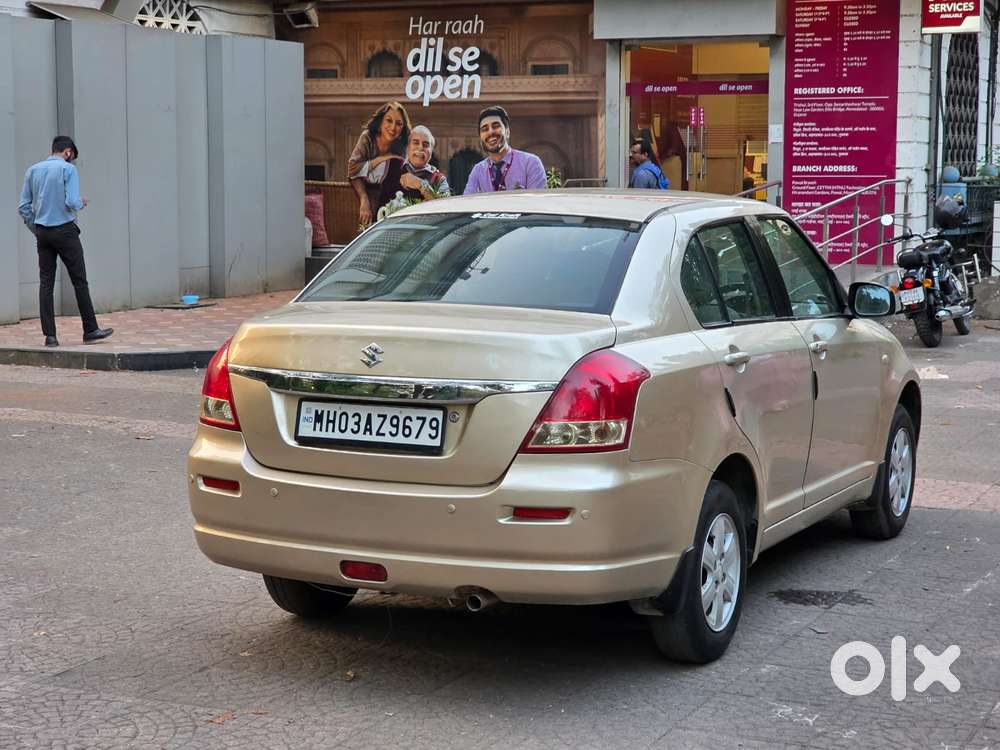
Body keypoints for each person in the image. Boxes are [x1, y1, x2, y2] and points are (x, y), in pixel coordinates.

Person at [17, 136, 113, 348]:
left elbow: (23, 207)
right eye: (71, 156)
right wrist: (81, 203)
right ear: (68, 152)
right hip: (65, 231)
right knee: (79, 280)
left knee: (46, 284)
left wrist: (37, 229)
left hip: (43, 232)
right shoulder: (67, 170)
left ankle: (50, 337)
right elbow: (71, 201)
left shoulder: (32, 170)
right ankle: (90, 330)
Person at [347, 101, 411, 227]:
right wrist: (383, 158)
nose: (393, 128)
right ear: (381, 121)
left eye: (399, 124)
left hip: (389, 200)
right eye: (389, 120)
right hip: (365, 192)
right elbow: (353, 170)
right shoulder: (368, 137)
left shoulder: (402, 146)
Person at [463, 105, 546, 194]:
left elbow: (536, 204)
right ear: (480, 138)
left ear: (507, 132)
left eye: (495, 126)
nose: (490, 132)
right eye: (485, 129)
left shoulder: (530, 163)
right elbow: (467, 203)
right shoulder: (478, 171)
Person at [377, 125, 451, 208]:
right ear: (408, 147)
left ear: (431, 151)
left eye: (426, 145)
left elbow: (444, 210)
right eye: (416, 143)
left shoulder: (439, 180)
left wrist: (420, 184)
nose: (420, 148)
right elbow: (382, 208)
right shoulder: (391, 171)